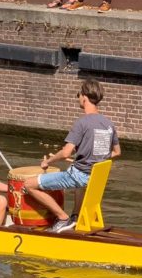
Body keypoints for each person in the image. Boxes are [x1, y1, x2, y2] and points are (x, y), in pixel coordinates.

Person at [23, 79, 120, 233]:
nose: (78, 98)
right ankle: (76, 216)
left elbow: (65, 153)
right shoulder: (109, 124)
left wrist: (48, 162)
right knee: (79, 184)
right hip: (95, 178)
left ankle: (62, 218)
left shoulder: (82, 123)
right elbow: (117, 152)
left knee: (28, 185)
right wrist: (94, 158)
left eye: (78, 94)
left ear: (84, 97)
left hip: (79, 176)